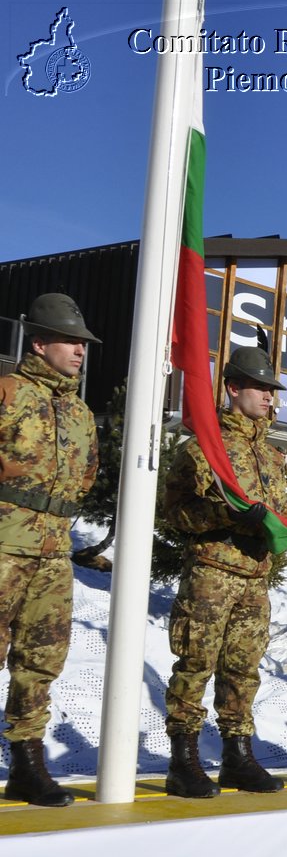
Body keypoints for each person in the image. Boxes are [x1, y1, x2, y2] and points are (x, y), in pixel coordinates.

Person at [161, 343, 287, 798]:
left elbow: (276, 514)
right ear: (234, 389)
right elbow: (175, 513)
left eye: (272, 391)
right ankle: (184, 760)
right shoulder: (206, 449)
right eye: (260, 388)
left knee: (243, 669)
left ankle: (237, 756)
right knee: (195, 664)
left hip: (255, 577)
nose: (269, 397)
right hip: (212, 572)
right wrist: (226, 517)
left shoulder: (273, 458)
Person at [0, 294, 99, 807]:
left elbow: (85, 477)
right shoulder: (8, 390)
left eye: (83, 343)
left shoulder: (80, 413)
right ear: (40, 342)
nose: (81, 351)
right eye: (72, 341)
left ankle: (27, 760)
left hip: (54, 551)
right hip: (4, 542)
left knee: (41, 657)